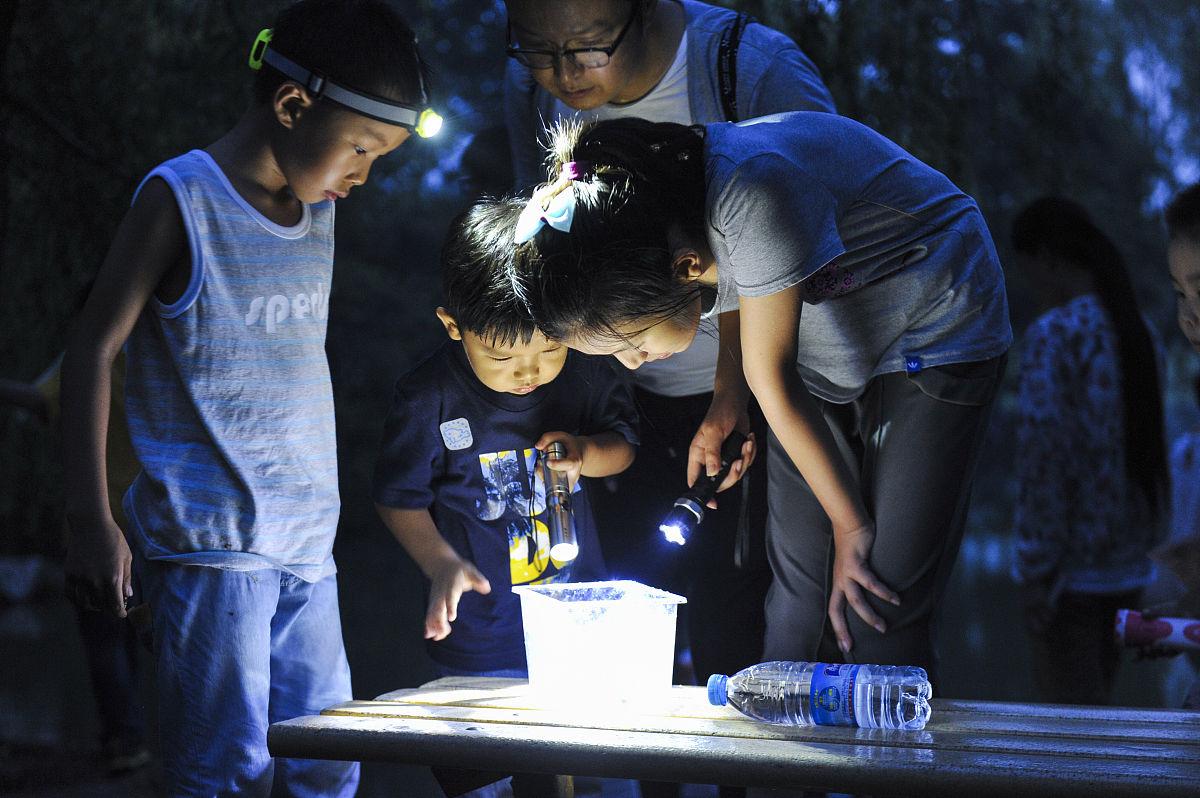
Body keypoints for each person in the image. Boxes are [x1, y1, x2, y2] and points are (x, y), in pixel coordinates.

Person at [58, 1, 430, 794]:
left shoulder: (318, 209)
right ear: (293, 106)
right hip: (211, 547)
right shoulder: (181, 199)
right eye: (361, 150)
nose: (362, 177)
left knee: (328, 769)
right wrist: (88, 518)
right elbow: (93, 348)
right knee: (223, 776)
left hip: (309, 545)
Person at [507, 113, 1011, 686]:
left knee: (879, 609)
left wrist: (851, 529)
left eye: (634, 343)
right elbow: (737, 299)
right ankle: (783, 771)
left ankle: (896, 767)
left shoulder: (752, 193)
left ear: (684, 269)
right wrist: (728, 401)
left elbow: (770, 375)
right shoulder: (662, 214)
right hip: (828, 347)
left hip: (934, 316)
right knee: (795, 609)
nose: (631, 363)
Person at [503, 0, 837, 710]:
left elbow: (803, 235)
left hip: (772, 388)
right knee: (645, 614)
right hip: (631, 410)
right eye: (535, 50)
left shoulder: (746, 70)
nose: (562, 73)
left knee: (751, 619)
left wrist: (732, 391)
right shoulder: (528, 91)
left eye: (586, 47)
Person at [372, 199, 638, 796]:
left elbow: (623, 445)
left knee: (593, 771)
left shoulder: (586, 371)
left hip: (579, 622)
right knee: (483, 775)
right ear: (452, 325)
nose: (530, 373)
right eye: (502, 357)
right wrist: (441, 563)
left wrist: (584, 454)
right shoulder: (429, 397)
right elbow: (398, 496)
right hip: (481, 637)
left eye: (550, 349)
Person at [1008, 196, 1169, 706]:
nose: (1030, 282)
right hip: (1125, 572)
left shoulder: (1053, 337)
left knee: (1066, 738)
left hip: (1067, 579)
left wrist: (1035, 572)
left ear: (1049, 258)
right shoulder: (1140, 334)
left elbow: (1044, 460)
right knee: (1099, 722)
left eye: (1027, 266)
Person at [1, 353, 151, 776]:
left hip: (100, 529)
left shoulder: (85, 360)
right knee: (135, 636)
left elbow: (39, 399)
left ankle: (125, 737)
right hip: (154, 525)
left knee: (105, 640)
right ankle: (133, 735)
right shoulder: (158, 351)